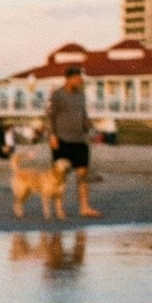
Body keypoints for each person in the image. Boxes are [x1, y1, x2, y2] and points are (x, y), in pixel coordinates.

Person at [44, 65, 101, 217]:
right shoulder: (57, 95)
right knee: (59, 178)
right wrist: (52, 136)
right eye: (78, 77)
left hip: (80, 141)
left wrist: (93, 130)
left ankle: (84, 207)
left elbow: (84, 116)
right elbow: (50, 117)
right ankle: (59, 208)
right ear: (69, 78)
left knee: (83, 175)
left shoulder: (81, 96)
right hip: (61, 141)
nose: (81, 80)